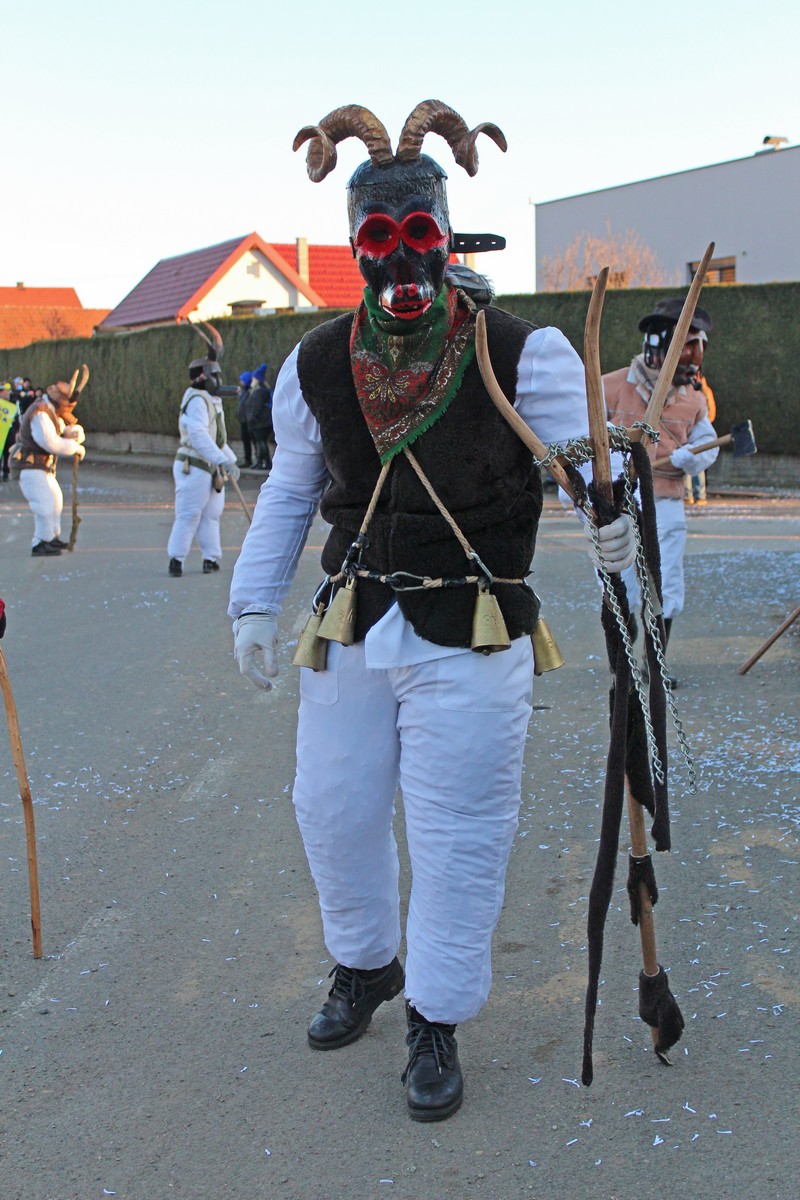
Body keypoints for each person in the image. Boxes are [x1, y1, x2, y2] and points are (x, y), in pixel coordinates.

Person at [228, 100, 634, 1123]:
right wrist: (250, 605)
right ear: (353, 246)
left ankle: (437, 1020)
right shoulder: (315, 360)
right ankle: (365, 966)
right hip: (352, 620)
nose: (400, 261)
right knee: (331, 804)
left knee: (457, 830)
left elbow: (583, 463)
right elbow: (288, 488)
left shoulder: (514, 350)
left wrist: (613, 518)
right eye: (377, 238)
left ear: (448, 237)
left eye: (418, 237)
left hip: (471, 625)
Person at [602, 297, 719, 681]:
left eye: (695, 349)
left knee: (665, 581)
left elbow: (707, 443)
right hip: (619, 500)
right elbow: (581, 435)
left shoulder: (693, 399)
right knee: (623, 583)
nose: (692, 359)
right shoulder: (614, 386)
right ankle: (624, 659)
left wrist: (693, 458)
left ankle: (656, 664)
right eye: (686, 348)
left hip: (666, 502)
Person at [166, 323, 240, 577]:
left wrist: (230, 460)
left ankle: (211, 557)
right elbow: (199, 436)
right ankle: (176, 558)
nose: (219, 381)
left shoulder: (211, 401)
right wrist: (222, 459)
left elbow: (217, 439)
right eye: (214, 376)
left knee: (212, 515)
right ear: (202, 377)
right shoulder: (197, 400)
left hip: (211, 466)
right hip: (194, 465)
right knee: (189, 514)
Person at [9, 380, 86, 555]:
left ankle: (51, 537)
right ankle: (40, 542)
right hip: (30, 466)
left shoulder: (50, 411)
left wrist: (74, 434)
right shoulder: (40, 413)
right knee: (43, 504)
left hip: (43, 467)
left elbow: (62, 431)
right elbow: (50, 442)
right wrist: (74, 447)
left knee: (54, 500)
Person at [685, 372, 716, 504]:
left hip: (696, 428)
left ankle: (698, 494)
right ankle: (690, 495)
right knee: (687, 461)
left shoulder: (703, 391)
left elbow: (711, 410)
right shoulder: (688, 389)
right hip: (688, 428)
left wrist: (703, 423)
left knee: (696, 463)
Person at [245, 363, 273, 470]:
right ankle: (262, 462)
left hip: (261, 422)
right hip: (263, 421)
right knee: (261, 442)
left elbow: (256, 407)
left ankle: (263, 462)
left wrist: (252, 418)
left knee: (261, 442)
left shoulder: (259, 392)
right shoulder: (263, 390)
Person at [236, 370, 254, 468]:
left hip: (247, 420)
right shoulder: (243, 392)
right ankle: (248, 459)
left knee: (248, 440)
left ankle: (249, 460)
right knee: (245, 440)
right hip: (243, 419)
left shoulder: (249, 392)